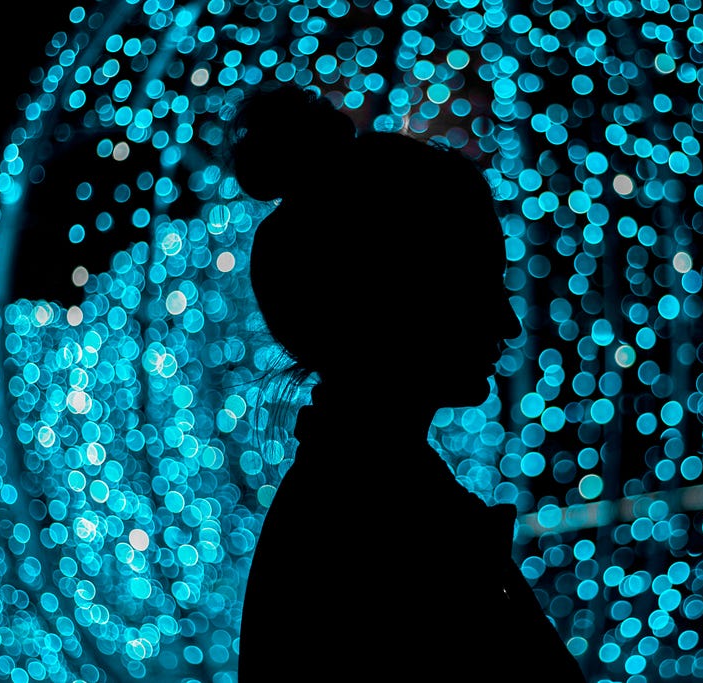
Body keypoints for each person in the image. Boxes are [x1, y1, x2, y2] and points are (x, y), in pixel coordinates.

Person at [228, 83, 585, 681]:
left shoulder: (364, 504)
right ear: (398, 299)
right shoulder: (385, 534)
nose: (509, 322)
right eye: (481, 286)